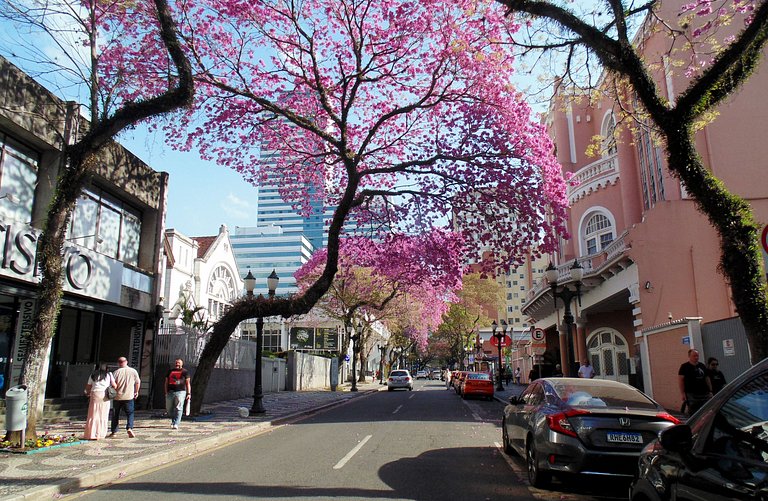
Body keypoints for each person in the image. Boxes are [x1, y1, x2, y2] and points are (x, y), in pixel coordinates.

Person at [109, 356, 141, 438]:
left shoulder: (116, 372)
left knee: (115, 414)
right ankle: (129, 428)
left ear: (118, 363)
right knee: (130, 413)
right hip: (129, 396)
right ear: (126, 362)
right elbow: (137, 382)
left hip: (117, 397)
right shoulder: (133, 371)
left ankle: (114, 432)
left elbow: (113, 385)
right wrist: (136, 391)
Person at [83, 364, 116, 440]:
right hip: (104, 395)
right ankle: (100, 434)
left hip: (95, 394)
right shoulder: (109, 375)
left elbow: (88, 386)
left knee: (93, 414)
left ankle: (91, 434)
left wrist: (87, 393)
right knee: (103, 415)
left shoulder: (93, 375)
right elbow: (115, 385)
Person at [678, 349, 712, 416]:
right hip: (691, 394)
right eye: (694, 356)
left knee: (707, 410)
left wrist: (710, 391)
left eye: (697, 356)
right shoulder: (684, 367)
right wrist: (682, 394)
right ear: (689, 356)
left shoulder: (702, 366)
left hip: (704, 393)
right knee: (694, 412)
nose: (696, 357)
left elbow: (707, 378)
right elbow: (680, 380)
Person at [165, 358, 191, 429]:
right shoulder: (170, 371)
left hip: (181, 392)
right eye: (176, 363)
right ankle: (173, 421)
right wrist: (166, 391)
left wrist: (189, 393)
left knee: (178, 407)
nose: (177, 364)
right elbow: (166, 382)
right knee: (169, 408)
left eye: (179, 363)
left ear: (182, 364)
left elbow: (188, 383)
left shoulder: (185, 372)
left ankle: (176, 423)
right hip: (170, 391)